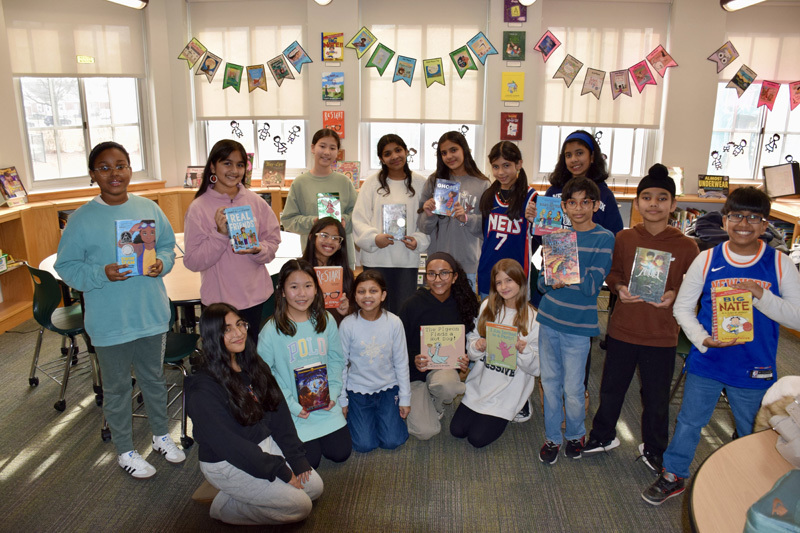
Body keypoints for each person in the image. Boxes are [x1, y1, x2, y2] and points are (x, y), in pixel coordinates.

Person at [642, 187, 800, 505]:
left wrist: (761, 295)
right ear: (725, 219)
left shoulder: (780, 264)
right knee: (690, 421)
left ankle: (754, 476)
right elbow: (682, 309)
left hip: (755, 365)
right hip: (709, 360)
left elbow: (797, 318)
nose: (745, 223)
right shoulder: (707, 259)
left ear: (765, 223)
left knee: (753, 429)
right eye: (737, 215)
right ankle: (673, 475)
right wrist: (702, 339)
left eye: (754, 217)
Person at [54, 141, 184, 478]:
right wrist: (101, 273)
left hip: (150, 315)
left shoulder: (149, 209)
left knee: (154, 380)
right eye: (105, 167)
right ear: (93, 174)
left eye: (121, 165)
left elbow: (169, 247)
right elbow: (66, 267)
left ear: (130, 168)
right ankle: (125, 449)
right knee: (116, 388)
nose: (115, 173)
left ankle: (160, 436)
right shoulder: (81, 219)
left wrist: (163, 264)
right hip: (110, 321)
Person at [581, 164, 699, 473]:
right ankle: (603, 435)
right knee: (611, 388)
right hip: (623, 328)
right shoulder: (625, 238)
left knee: (656, 397)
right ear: (637, 203)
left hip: (661, 334)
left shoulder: (687, 246)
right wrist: (619, 287)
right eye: (646, 197)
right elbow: (614, 272)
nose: (654, 204)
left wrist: (674, 292)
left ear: (673, 205)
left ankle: (655, 447)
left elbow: (694, 285)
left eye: (662, 198)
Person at [186, 303, 323, 525]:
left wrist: (296, 457)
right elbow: (231, 445)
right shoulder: (203, 389)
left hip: (262, 444)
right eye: (227, 329)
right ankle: (224, 508)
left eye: (240, 324)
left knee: (314, 488)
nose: (239, 333)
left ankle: (241, 492)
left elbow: (278, 413)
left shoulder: (251, 363)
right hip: (227, 461)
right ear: (213, 336)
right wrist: (281, 471)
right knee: (300, 507)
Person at [536, 177, 615, 464]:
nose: (578, 208)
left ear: (595, 205)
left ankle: (575, 434)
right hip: (549, 318)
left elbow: (593, 286)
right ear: (564, 206)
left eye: (585, 202)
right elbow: (541, 282)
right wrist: (551, 279)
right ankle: (552, 438)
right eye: (572, 202)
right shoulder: (556, 234)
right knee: (550, 382)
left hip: (579, 326)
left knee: (573, 387)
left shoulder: (604, 237)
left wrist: (566, 270)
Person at [183, 139, 281, 342]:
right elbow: (193, 261)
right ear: (213, 166)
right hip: (219, 302)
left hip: (255, 298)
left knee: (252, 357)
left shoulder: (256, 202)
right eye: (227, 163)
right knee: (225, 363)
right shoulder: (199, 208)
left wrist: (258, 249)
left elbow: (273, 242)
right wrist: (219, 234)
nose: (234, 170)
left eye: (240, 164)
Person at [258, 259, 352, 468]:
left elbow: (337, 359)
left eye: (308, 286)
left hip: (325, 405)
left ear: (316, 290)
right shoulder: (271, 331)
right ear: (282, 291)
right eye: (294, 287)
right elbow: (264, 375)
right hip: (293, 410)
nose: (302, 293)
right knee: (311, 461)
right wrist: (291, 405)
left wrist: (334, 392)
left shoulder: (325, 320)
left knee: (340, 453)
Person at [452, 259, 539, 448]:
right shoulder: (487, 307)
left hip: (508, 389)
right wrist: (478, 345)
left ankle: (522, 404)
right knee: (457, 431)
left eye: (509, 281)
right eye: (498, 282)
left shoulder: (533, 318)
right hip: (482, 383)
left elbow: (537, 368)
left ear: (520, 282)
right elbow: (472, 347)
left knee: (477, 439)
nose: (504, 287)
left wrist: (524, 350)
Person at [399, 252, 480, 440]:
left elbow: (470, 339)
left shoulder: (464, 304)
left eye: (444, 273)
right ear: (425, 276)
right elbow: (397, 345)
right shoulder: (411, 305)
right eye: (431, 274)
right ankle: (423, 399)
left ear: (454, 277)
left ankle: (436, 402)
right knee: (426, 432)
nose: (437, 279)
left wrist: (466, 356)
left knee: (449, 386)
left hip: (442, 371)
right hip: (414, 375)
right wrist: (414, 358)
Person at [353, 134, 430, 314]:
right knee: (375, 310)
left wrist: (418, 240)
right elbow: (359, 218)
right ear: (381, 158)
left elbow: (427, 220)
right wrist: (374, 238)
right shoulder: (372, 184)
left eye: (398, 150)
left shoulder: (421, 183)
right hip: (377, 259)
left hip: (407, 260)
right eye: (387, 153)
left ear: (405, 151)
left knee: (404, 310)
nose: (394, 156)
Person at [338, 270, 411, 453]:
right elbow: (340, 365)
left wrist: (405, 398)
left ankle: (383, 417)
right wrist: (342, 400)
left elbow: (402, 362)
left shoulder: (394, 322)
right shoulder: (348, 324)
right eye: (361, 291)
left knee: (393, 441)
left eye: (373, 291)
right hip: (358, 391)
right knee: (364, 445)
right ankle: (367, 419)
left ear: (383, 295)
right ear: (354, 295)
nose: (367, 296)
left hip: (387, 388)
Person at [418, 131, 490, 291]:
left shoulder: (482, 184)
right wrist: (429, 215)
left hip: (468, 262)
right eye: (443, 153)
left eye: (453, 150)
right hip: (438, 262)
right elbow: (423, 227)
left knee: (465, 312)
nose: (449, 156)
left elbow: (487, 227)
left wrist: (466, 218)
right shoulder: (434, 181)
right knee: (437, 313)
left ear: (464, 149)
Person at [282, 128, 358, 269]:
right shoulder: (299, 183)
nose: (327, 152)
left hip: (342, 257)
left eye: (332, 148)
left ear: (337, 152)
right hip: (311, 259)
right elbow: (288, 220)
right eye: (322, 146)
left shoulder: (345, 182)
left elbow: (358, 216)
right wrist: (313, 222)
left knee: (342, 291)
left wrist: (343, 222)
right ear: (313, 148)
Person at [477, 141, 537, 298]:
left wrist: (535, 221)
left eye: (506, 165)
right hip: (488, 271)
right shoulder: (489, 195)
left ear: (518, 164)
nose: (501, 172)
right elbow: (485, 236)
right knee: (488, 320)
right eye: (496, 167)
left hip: (516, 274)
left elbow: (544, 237)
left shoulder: (532, 197)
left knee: (515, 321)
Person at [301, 217, 354, 324]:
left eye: (335, 238)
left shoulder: (346, 274)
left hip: (336, 330)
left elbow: (354, 311)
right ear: (312, 237)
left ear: (340, 245)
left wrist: (347, 309)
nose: (330, 241)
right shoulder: (298, 270)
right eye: (324, 236)